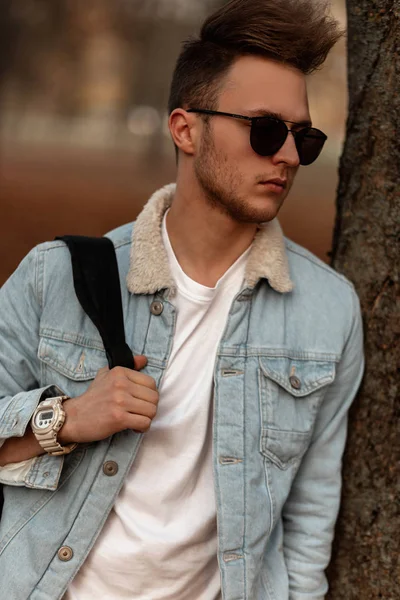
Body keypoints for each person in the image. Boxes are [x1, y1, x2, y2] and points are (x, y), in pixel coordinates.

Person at [0, 1, 364, 598]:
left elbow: (310, 514)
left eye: (305, 136)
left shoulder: (328, 311)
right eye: (266, 130)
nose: (290, 156)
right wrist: (63, 419)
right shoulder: (56, 276)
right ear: (185, 128)